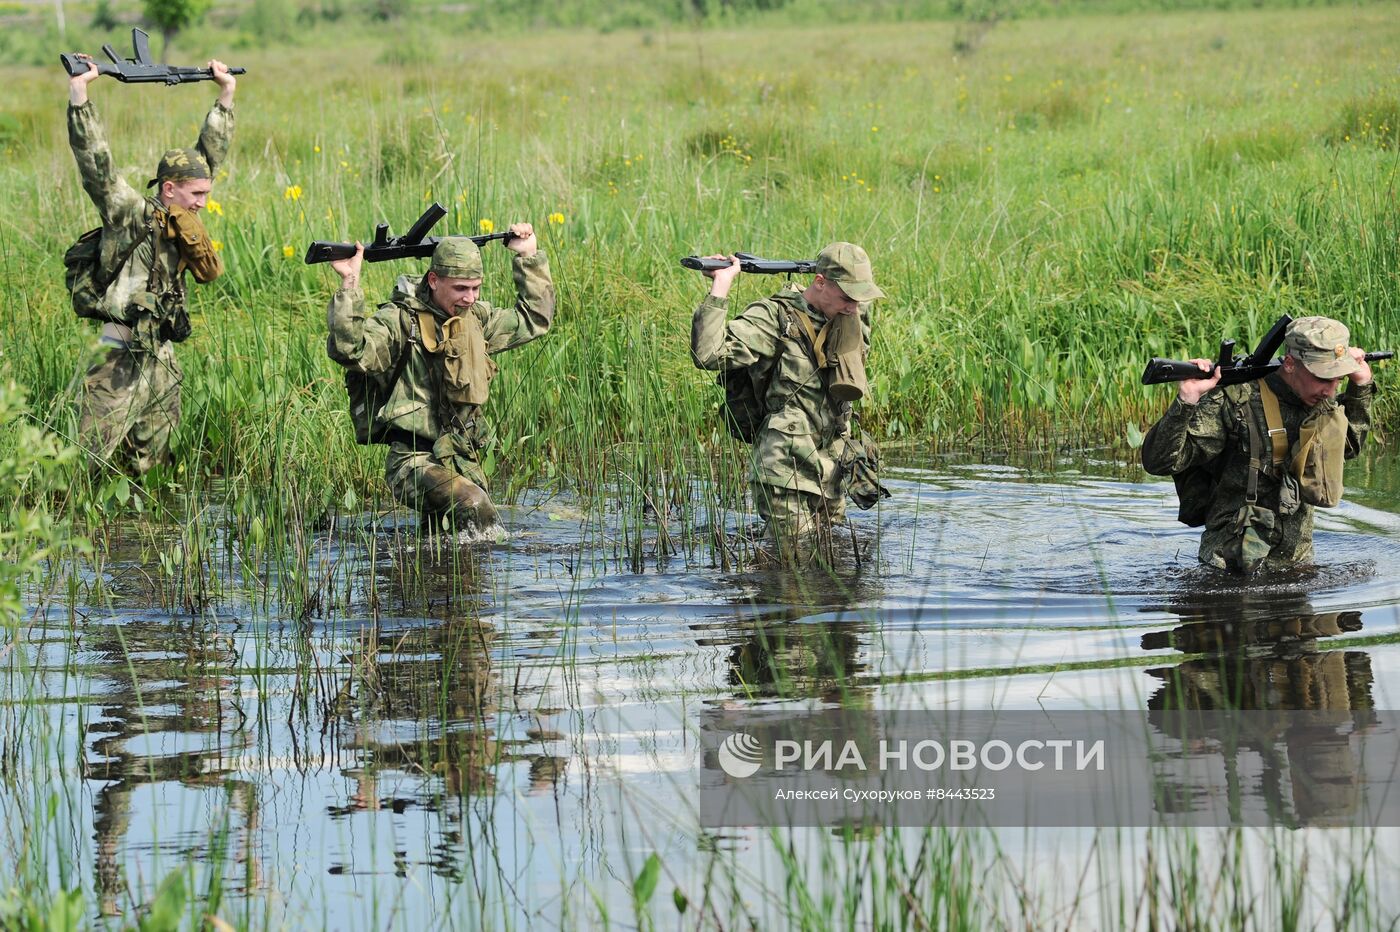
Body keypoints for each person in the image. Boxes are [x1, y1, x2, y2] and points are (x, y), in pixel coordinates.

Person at [66, 53, 237, 475]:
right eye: (196, 194)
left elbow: (208, 158)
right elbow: (97, 165)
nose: (203, 203)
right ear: (169, 188)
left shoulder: (184, 217)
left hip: (160, 354)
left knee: (151, 462)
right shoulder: (128, 212)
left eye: (205, 194)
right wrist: (80, 95)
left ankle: (141, 535)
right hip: (119, 355)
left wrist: (226, 95)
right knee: (86, 461)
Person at [325, 230, 554, 534]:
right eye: (460, 288)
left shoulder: (475, 319)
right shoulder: (399, 320)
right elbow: (350, 351)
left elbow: (533, 320)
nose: (469, 298)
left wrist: (528, 256)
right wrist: (350, 285)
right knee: (473, 505)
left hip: (460, 458)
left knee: (448, 545)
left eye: (475, 288)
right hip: (413, 462)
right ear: (433, 281)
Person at [1141, 316, 1375, 574]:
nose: (1330, 390)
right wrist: (1187, 401)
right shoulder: (1237, 402)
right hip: (1229, 569)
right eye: (1322, 378)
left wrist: (1360, 388)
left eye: (1337, 379)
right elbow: (1160, 462)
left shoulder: (1320, 403)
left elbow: (1345, 449)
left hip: (1297, 565)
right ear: (1289, 364)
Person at [691, 242, 884, 556]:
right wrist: (721, 284)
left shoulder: (849, 315)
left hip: (832, 467)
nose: (855, 306)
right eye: (848, 297)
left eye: (861, 298)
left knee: (829, 563)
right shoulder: (774, 316)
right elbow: (708, 354)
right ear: (820, 283)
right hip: (784, 468)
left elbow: (850, 291)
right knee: (797, 565)